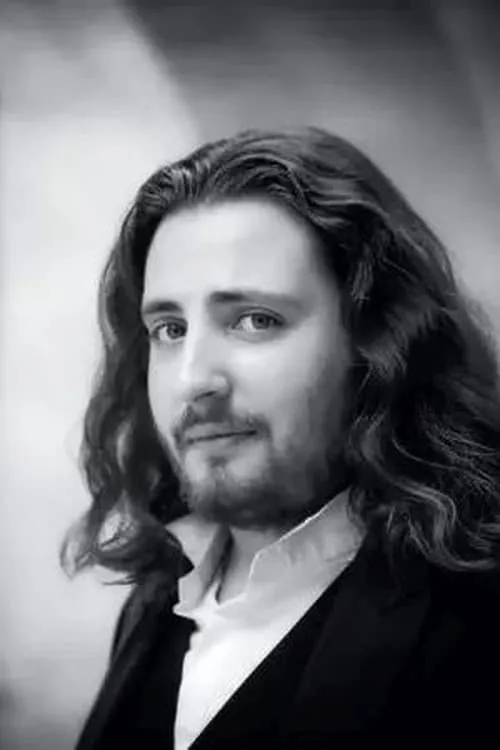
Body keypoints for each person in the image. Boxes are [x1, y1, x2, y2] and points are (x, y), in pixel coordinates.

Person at [64, 128, 500, 749]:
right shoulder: (157, 601)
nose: (193, 380)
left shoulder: (473, 627)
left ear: (376, 342)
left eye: (254, 320)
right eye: (169, 329)